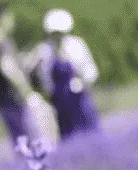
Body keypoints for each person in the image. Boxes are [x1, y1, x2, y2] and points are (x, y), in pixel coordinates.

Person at [42, 9, 100, 141]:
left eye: (60, 33)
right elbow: (46, 80)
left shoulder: (76, 46)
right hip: (61, 103)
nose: (57, 37)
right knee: (69, 136)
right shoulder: (45, 51)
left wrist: (84, 86)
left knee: (89, 132)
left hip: (80, 98)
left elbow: (90, 72)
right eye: (54, 34)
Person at [0, 3, 32, 145]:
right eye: (9, 17)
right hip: (13, 102)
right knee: (27, 145)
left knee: (22, 143)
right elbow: (8, 68)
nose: (12, 21)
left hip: (5, 103)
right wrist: (26, 91)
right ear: (0, 18)